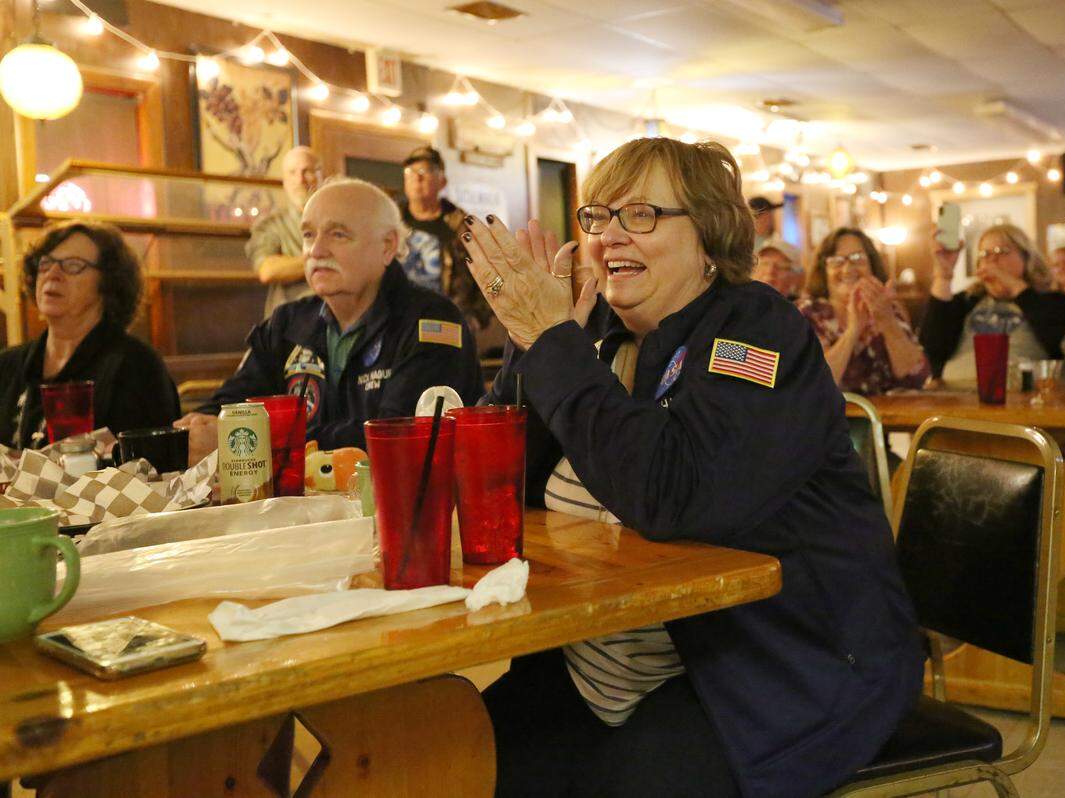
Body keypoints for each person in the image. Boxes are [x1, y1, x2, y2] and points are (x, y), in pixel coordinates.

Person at [462, 138, 923, 798]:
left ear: (710, 236)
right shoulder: (600, 339)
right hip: (605, 660)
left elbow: (674, 495)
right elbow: (495, 481)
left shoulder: (756, 332)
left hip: (783, 667)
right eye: (596, 216)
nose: (608, 236)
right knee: (454, 750)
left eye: (642, 214)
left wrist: (554, 343)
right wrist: (527, 339)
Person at [177, 178, 483, 462]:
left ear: (387, 246)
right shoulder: (288, 323)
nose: (316, 250)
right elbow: (226, 407)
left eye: (338, 234)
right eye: (308, 234)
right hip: (297, 516)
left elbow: (397, 437)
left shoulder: (431, 321)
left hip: (404, 513)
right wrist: (197, 429)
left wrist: (251, 440)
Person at [0, 221, 181, 449]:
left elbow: (154, 469)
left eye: (73, 265)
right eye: (45, 263)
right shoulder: (6, 365)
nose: (53, 273)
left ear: (107, 283)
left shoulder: (137, 366)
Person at [921, 223, 1065, 387]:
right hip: (956, 396)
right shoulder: (966, 301)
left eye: (1002, 251)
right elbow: (932, 350)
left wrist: (1016, 287)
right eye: (985, 254)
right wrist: (943, 277)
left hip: (1024, 398)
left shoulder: (1055, 302)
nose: (992, 259)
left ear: (1026, 257)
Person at [796, 228, 928, 395]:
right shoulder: (807, 314)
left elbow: (917, 377)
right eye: (837, 260)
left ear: (872, 265)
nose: (847, 269)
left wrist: (886, 320)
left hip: (893, 417)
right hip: (833, 419)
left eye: (858, 258)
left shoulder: (890, 308)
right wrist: (853, 330)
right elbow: (817, 384)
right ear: (823, 270)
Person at [399, 146, 492, 332]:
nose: (417, 178)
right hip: (398, 324)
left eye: (425, 171)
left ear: (442, 181)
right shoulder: (390, 222)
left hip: (448, 326)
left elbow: (493, 277)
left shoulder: (463, 227)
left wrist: (478, 317)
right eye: (410, 172)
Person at [246, 146, 324, 318]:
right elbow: (268, 270)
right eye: (292, 173)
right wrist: (326, 261)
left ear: (320, 176)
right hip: (293, 321)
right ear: (284, 181)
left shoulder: (342, 219)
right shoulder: (270, 224)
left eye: (307, 171)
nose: (300, 179)